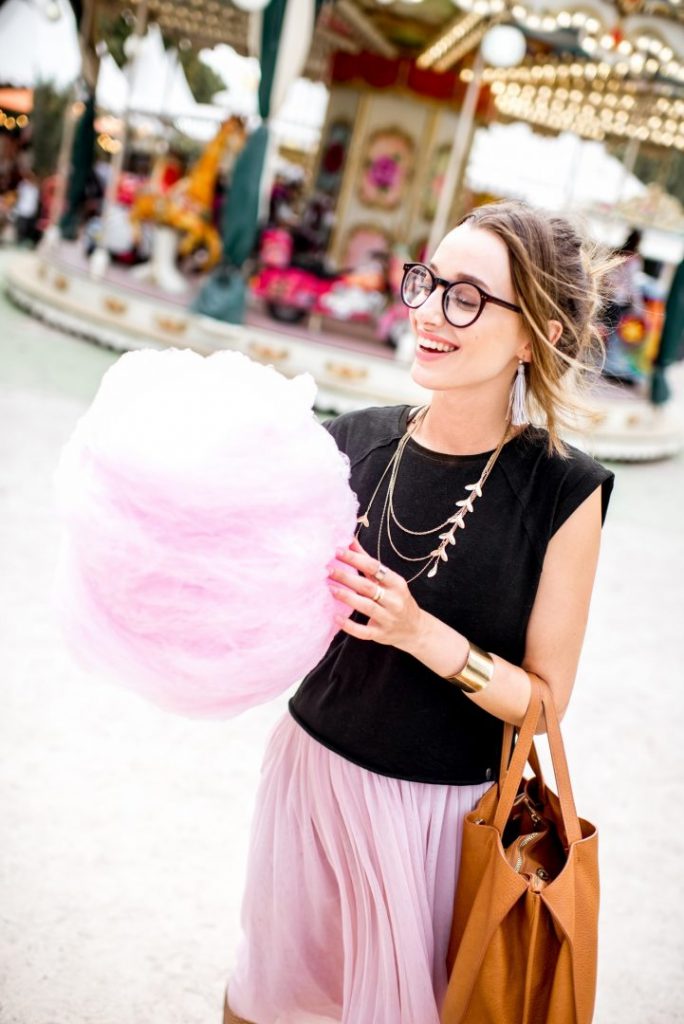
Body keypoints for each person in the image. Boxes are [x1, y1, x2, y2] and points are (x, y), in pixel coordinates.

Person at [224, 200, 615, 1024]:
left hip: (436, 821)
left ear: (535, 330)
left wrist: (422, 634)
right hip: (310, 777)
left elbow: (544, 706)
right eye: (428, 282)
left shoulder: (562, 491)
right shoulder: (350, 440)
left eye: (467, 297)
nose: (431, 312)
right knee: (277, 1004)